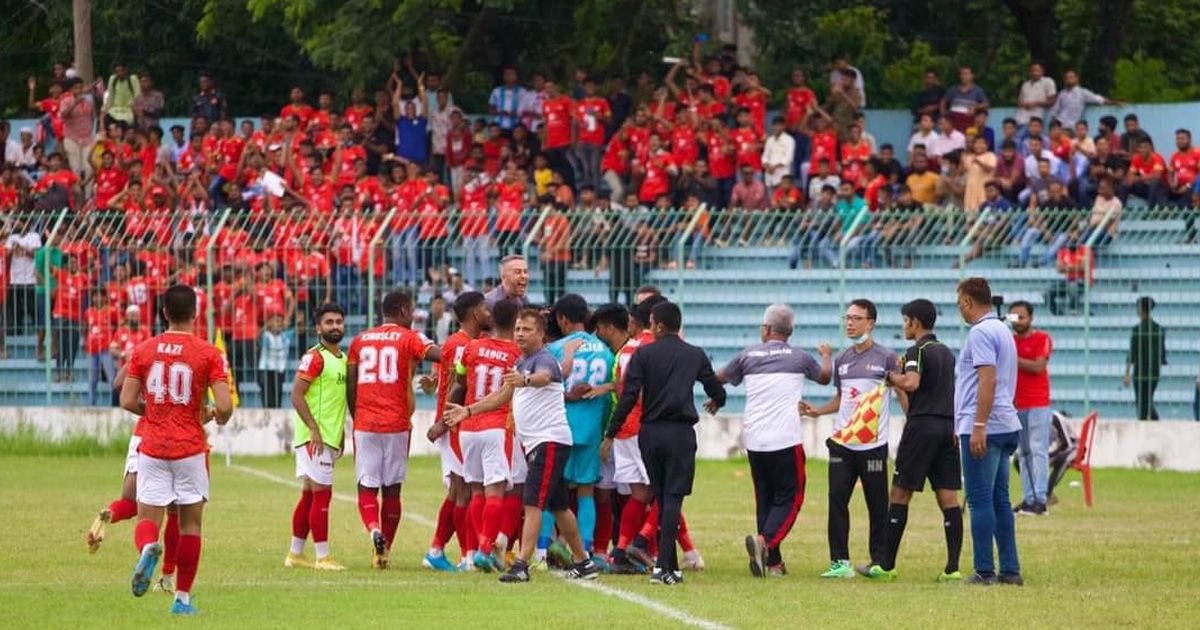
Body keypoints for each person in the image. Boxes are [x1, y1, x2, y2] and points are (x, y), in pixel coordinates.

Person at [444, 308, 600, 583]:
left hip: (549, 441)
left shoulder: (544, 360)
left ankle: (521, 565)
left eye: (526, 329)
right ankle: (583, 562)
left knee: (532, 504)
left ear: (540, 333)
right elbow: (500, 396)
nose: (520, 334)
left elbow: (543, 378)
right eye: (517, 329)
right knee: (560, 506)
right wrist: (467, 411)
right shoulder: (521, 362)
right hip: (540, 444)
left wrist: (525, 380)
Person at [120, 285, 234, 615]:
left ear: (165, 313)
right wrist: (215, 415)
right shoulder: (208, 352)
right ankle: (182, 599)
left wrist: (156, 413)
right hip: (190, 449)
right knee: (190, 526)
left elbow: (127, 399)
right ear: (195, 314)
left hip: (153, 447)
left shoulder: (144, 349)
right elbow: (224, 406)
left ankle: (147, 549)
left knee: (147, 518)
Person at [606, 301, 726, 585]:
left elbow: (628, 397)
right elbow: (716, 390)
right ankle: (664, 567)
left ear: (659, 325)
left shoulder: (643, 355)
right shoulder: (694, 354)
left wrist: (610, 433)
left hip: (649, 433)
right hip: (680, 433)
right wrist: (716, 402)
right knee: (672, 498)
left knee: (660, 496)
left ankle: (669, 565)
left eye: (651, 322)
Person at [718, 304, 831, 578]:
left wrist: (714, 397)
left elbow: (718, 378)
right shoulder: (799, 357)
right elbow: (825, 378)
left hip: (755, 440)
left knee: (765, 499)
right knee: (792, 497)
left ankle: (773, 564)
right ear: (789, 332)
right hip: (785, 439)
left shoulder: (748, 355)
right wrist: (827, 356)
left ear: (766, 329)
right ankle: (764, 542)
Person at [861, 299, 962, 582]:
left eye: (905, 321)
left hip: (922, 429)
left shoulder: (917, 349)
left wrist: (892, 376)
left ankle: (886, 565)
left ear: (915, 323)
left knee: (899, 493)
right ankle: (952, 569)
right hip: (946, 427)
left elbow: (913, 382)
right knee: (948, 497)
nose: (904, 326)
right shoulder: (946, 352)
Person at [799, 299, 897, 579]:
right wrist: (817, 411)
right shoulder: (842, 359)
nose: (850, 323)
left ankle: (879, 561)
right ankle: (839, 562)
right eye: (847, 318)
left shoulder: (888, 358)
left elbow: (902, 393)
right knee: (837, 501)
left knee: (877, 504)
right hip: (843, 442)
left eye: (856, 318)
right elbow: (842, 400)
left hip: (873, 445)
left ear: (871, 322)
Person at [346, 291, 440, 569]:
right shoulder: (410, 337)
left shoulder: (359, 340)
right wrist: (435, 374)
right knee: (392, 490)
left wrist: (357, 415)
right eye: (411, 311)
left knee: (366, 485)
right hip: (397, 424)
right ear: (401, 310)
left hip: (366, 423)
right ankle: (384, 548)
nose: (413, 316)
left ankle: (374, 529)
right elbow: (440, 353)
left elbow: (351, 384)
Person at [955, 277, 1022, 585]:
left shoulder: (980, 332)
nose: (959, 310)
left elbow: (988, 379)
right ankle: (1010, 570)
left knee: (979, 499)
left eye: (960, 304)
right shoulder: (1003, 330)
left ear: (968, 302)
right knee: (1000, 500)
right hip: (1007, 423)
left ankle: (984, 570)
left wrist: (978, 424)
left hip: (985, 426)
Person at [447, 299, 522, 572]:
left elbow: (460, 381)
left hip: (468, 426)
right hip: (496, 424)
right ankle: (485, 548)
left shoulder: (472, 347)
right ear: (516, 323)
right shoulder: (517, 353)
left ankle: (480, 547)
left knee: (476, 489)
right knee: (496, 490)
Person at [544, 295, 616, 568]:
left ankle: (543, 550)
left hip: (559, 427)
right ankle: (583, 552)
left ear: (562, 319)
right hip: (591, 428)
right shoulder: (605, 351)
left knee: (554, 492)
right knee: (586, 491)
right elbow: (610, 392)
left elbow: (546, 389)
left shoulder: (555, 349)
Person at [425, 291, 491, 572]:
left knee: (458, 492)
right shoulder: (460, 345)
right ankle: (466, 555)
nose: (489, 313)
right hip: (456, 426)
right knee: (463, 491)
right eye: (485, 308)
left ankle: (437, 551)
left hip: (462, 423)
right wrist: (445, 421)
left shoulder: (465, 343)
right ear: (476, 313)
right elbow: (453, 387)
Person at [285, 302, 349, 572]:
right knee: (322, 495)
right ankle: (322, 557)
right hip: (315, 438)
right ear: (318, 328)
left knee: (310, 496)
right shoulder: (315, 357)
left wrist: (341, 432)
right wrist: (313, 428)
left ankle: (295, 553)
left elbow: (336, 400)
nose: (335, 326)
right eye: (329, 322)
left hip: (329, 436)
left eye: (338, 321)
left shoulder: (342, 358)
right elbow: (296, 394)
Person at [1010, 301, 1053, 516]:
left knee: (1037, 451)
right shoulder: (1009, 341)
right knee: (1023, 454)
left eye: (1022, 317)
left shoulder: (1042, 339)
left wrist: (1012, 359)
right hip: (1017, 404)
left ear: (1031, 318)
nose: (1018, 321)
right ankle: (1029, 499)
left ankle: (1041, 499)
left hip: (1038, 403)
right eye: (1014, 317)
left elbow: (1038, 367)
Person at [1125, 296, 1166, 421]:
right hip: (1154, 371)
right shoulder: (1159, 329)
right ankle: (1152, 421)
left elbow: (1132, 353)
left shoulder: (1137, 330)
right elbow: (1162, 353)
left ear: (1142, 310)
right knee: (1147, 400)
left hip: (1140, 371)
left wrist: (1127, 373)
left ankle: (1149, 422)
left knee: (1141, 402)